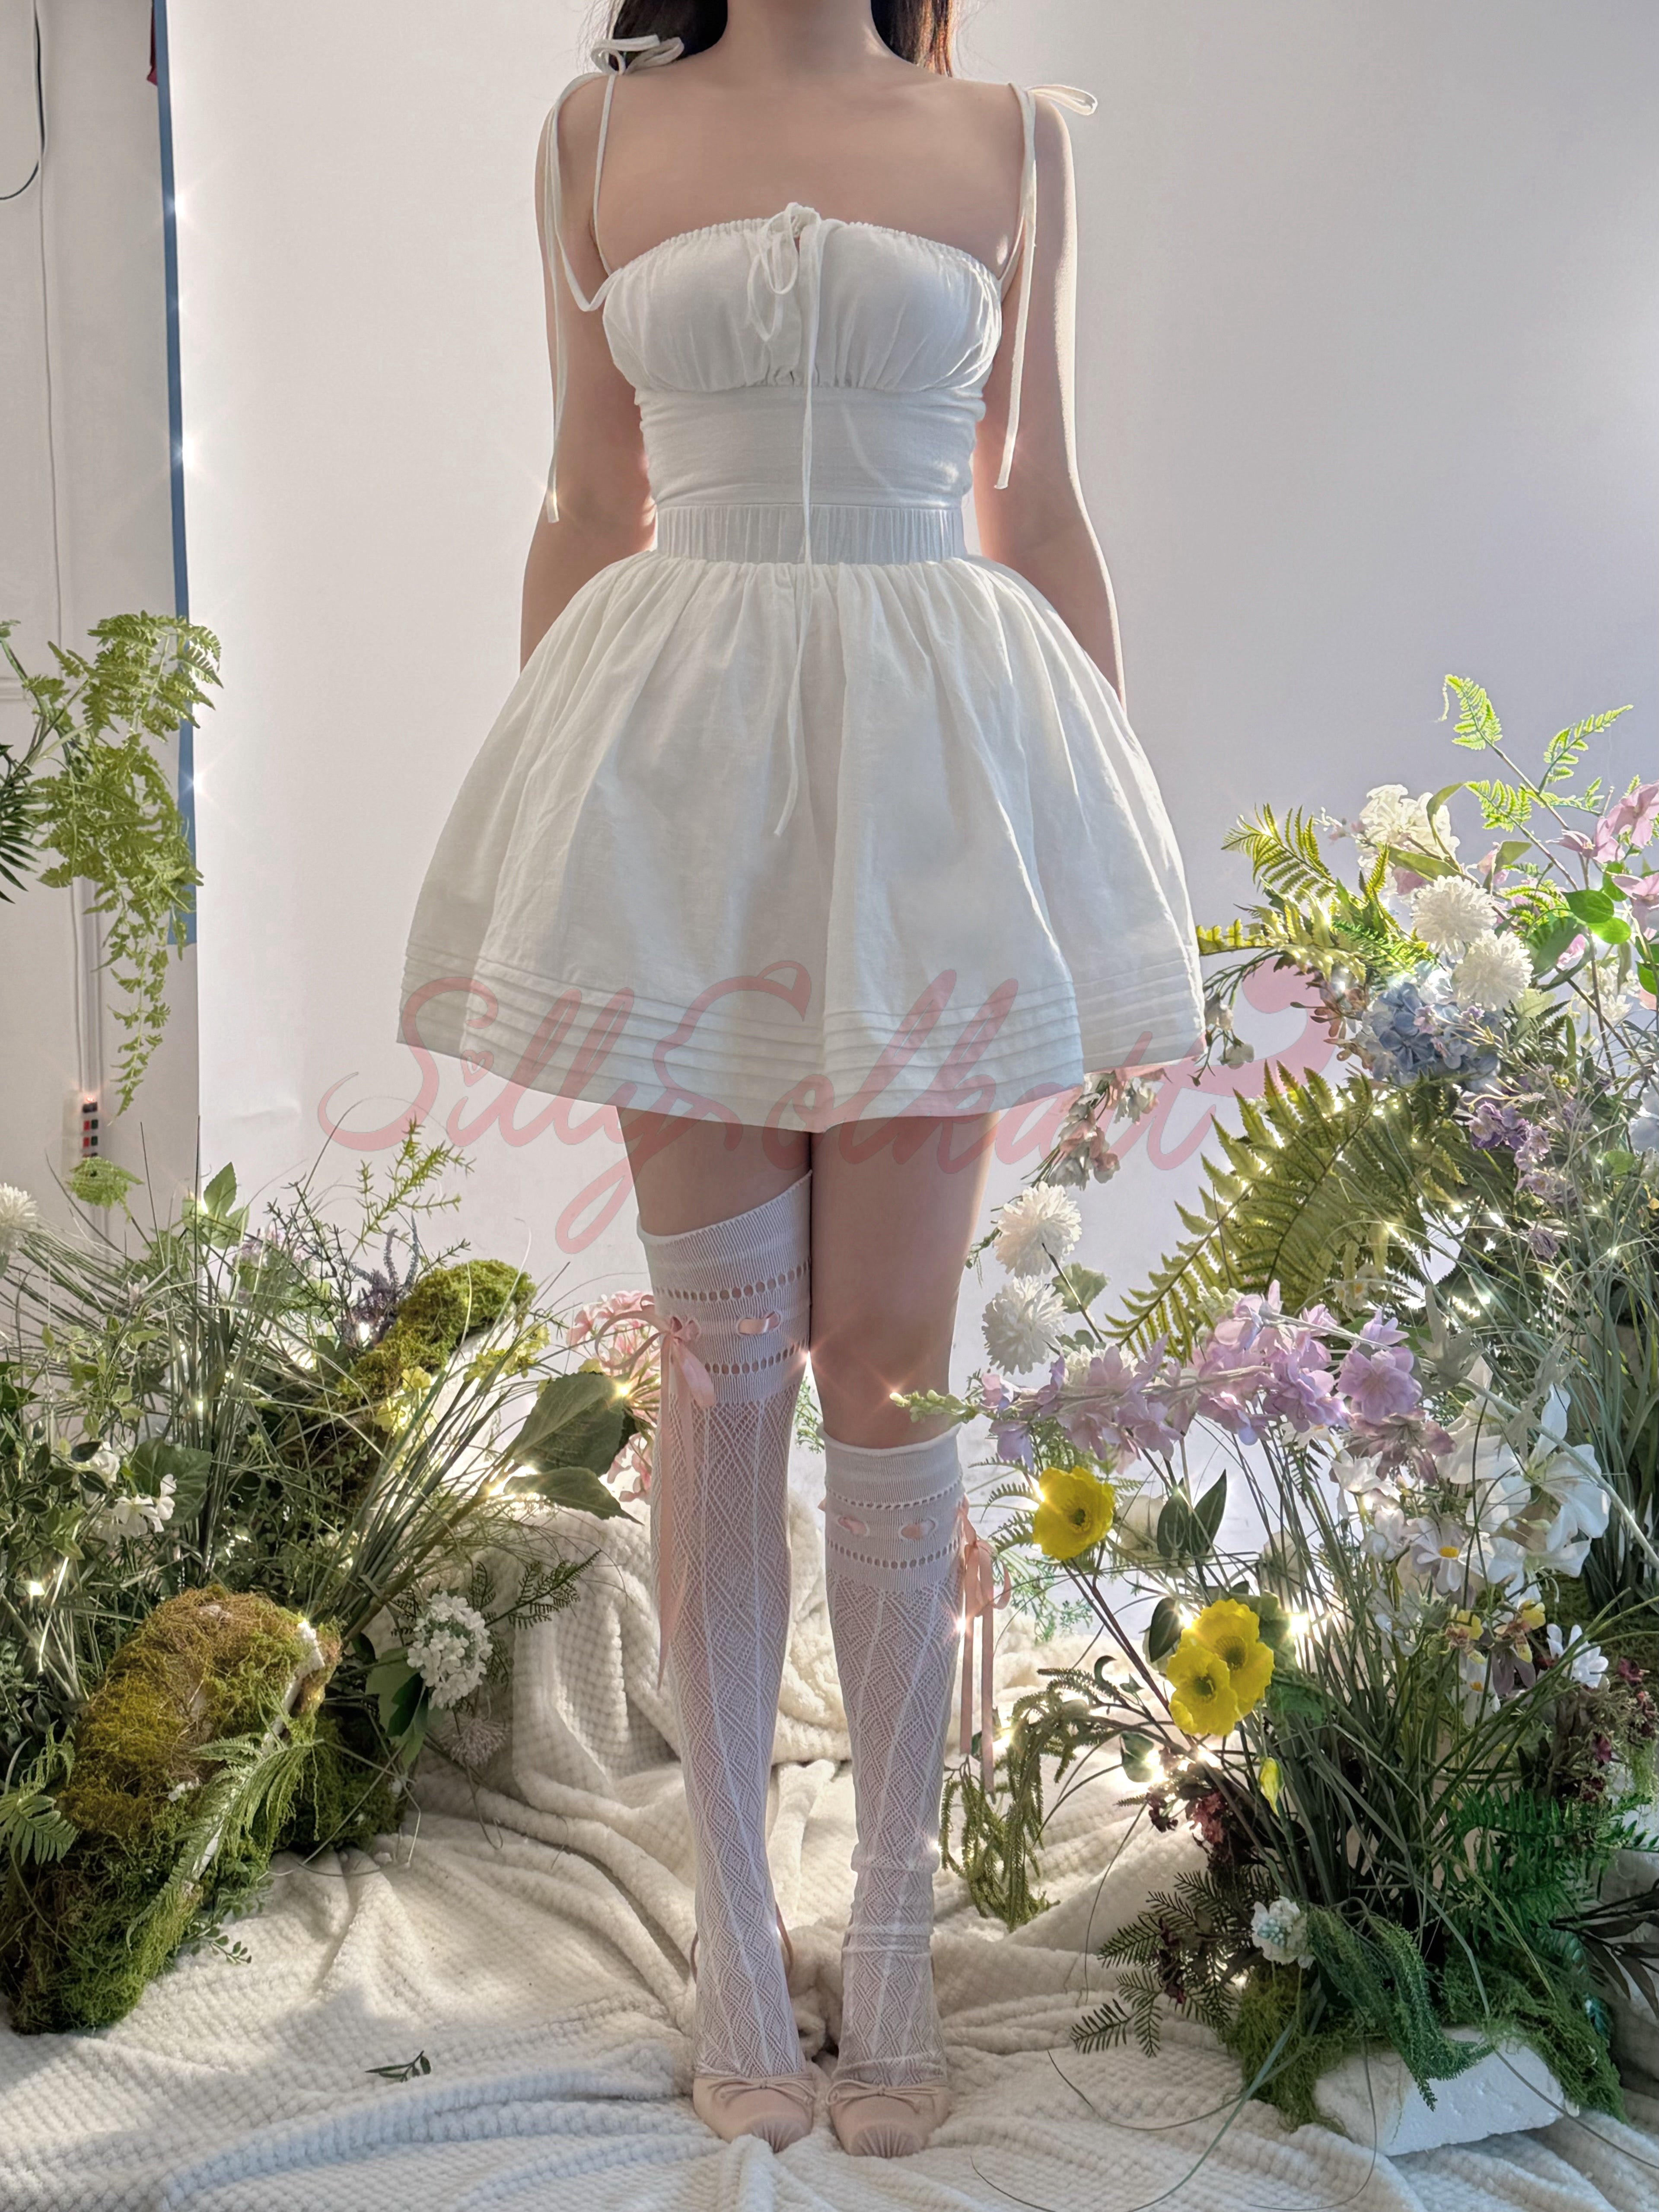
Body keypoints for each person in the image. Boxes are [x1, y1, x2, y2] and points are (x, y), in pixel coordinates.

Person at [399, 0, 1202, 2160]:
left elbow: (1039, 504)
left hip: (933, 777)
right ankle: (738, 1930)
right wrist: (569, 836)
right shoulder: (591, 135)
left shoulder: (1016, 138)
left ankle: (903, 1926)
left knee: (886, 1367)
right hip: (682, 777)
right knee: (723, 1354)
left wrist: (1099, 855)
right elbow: (590, 493)